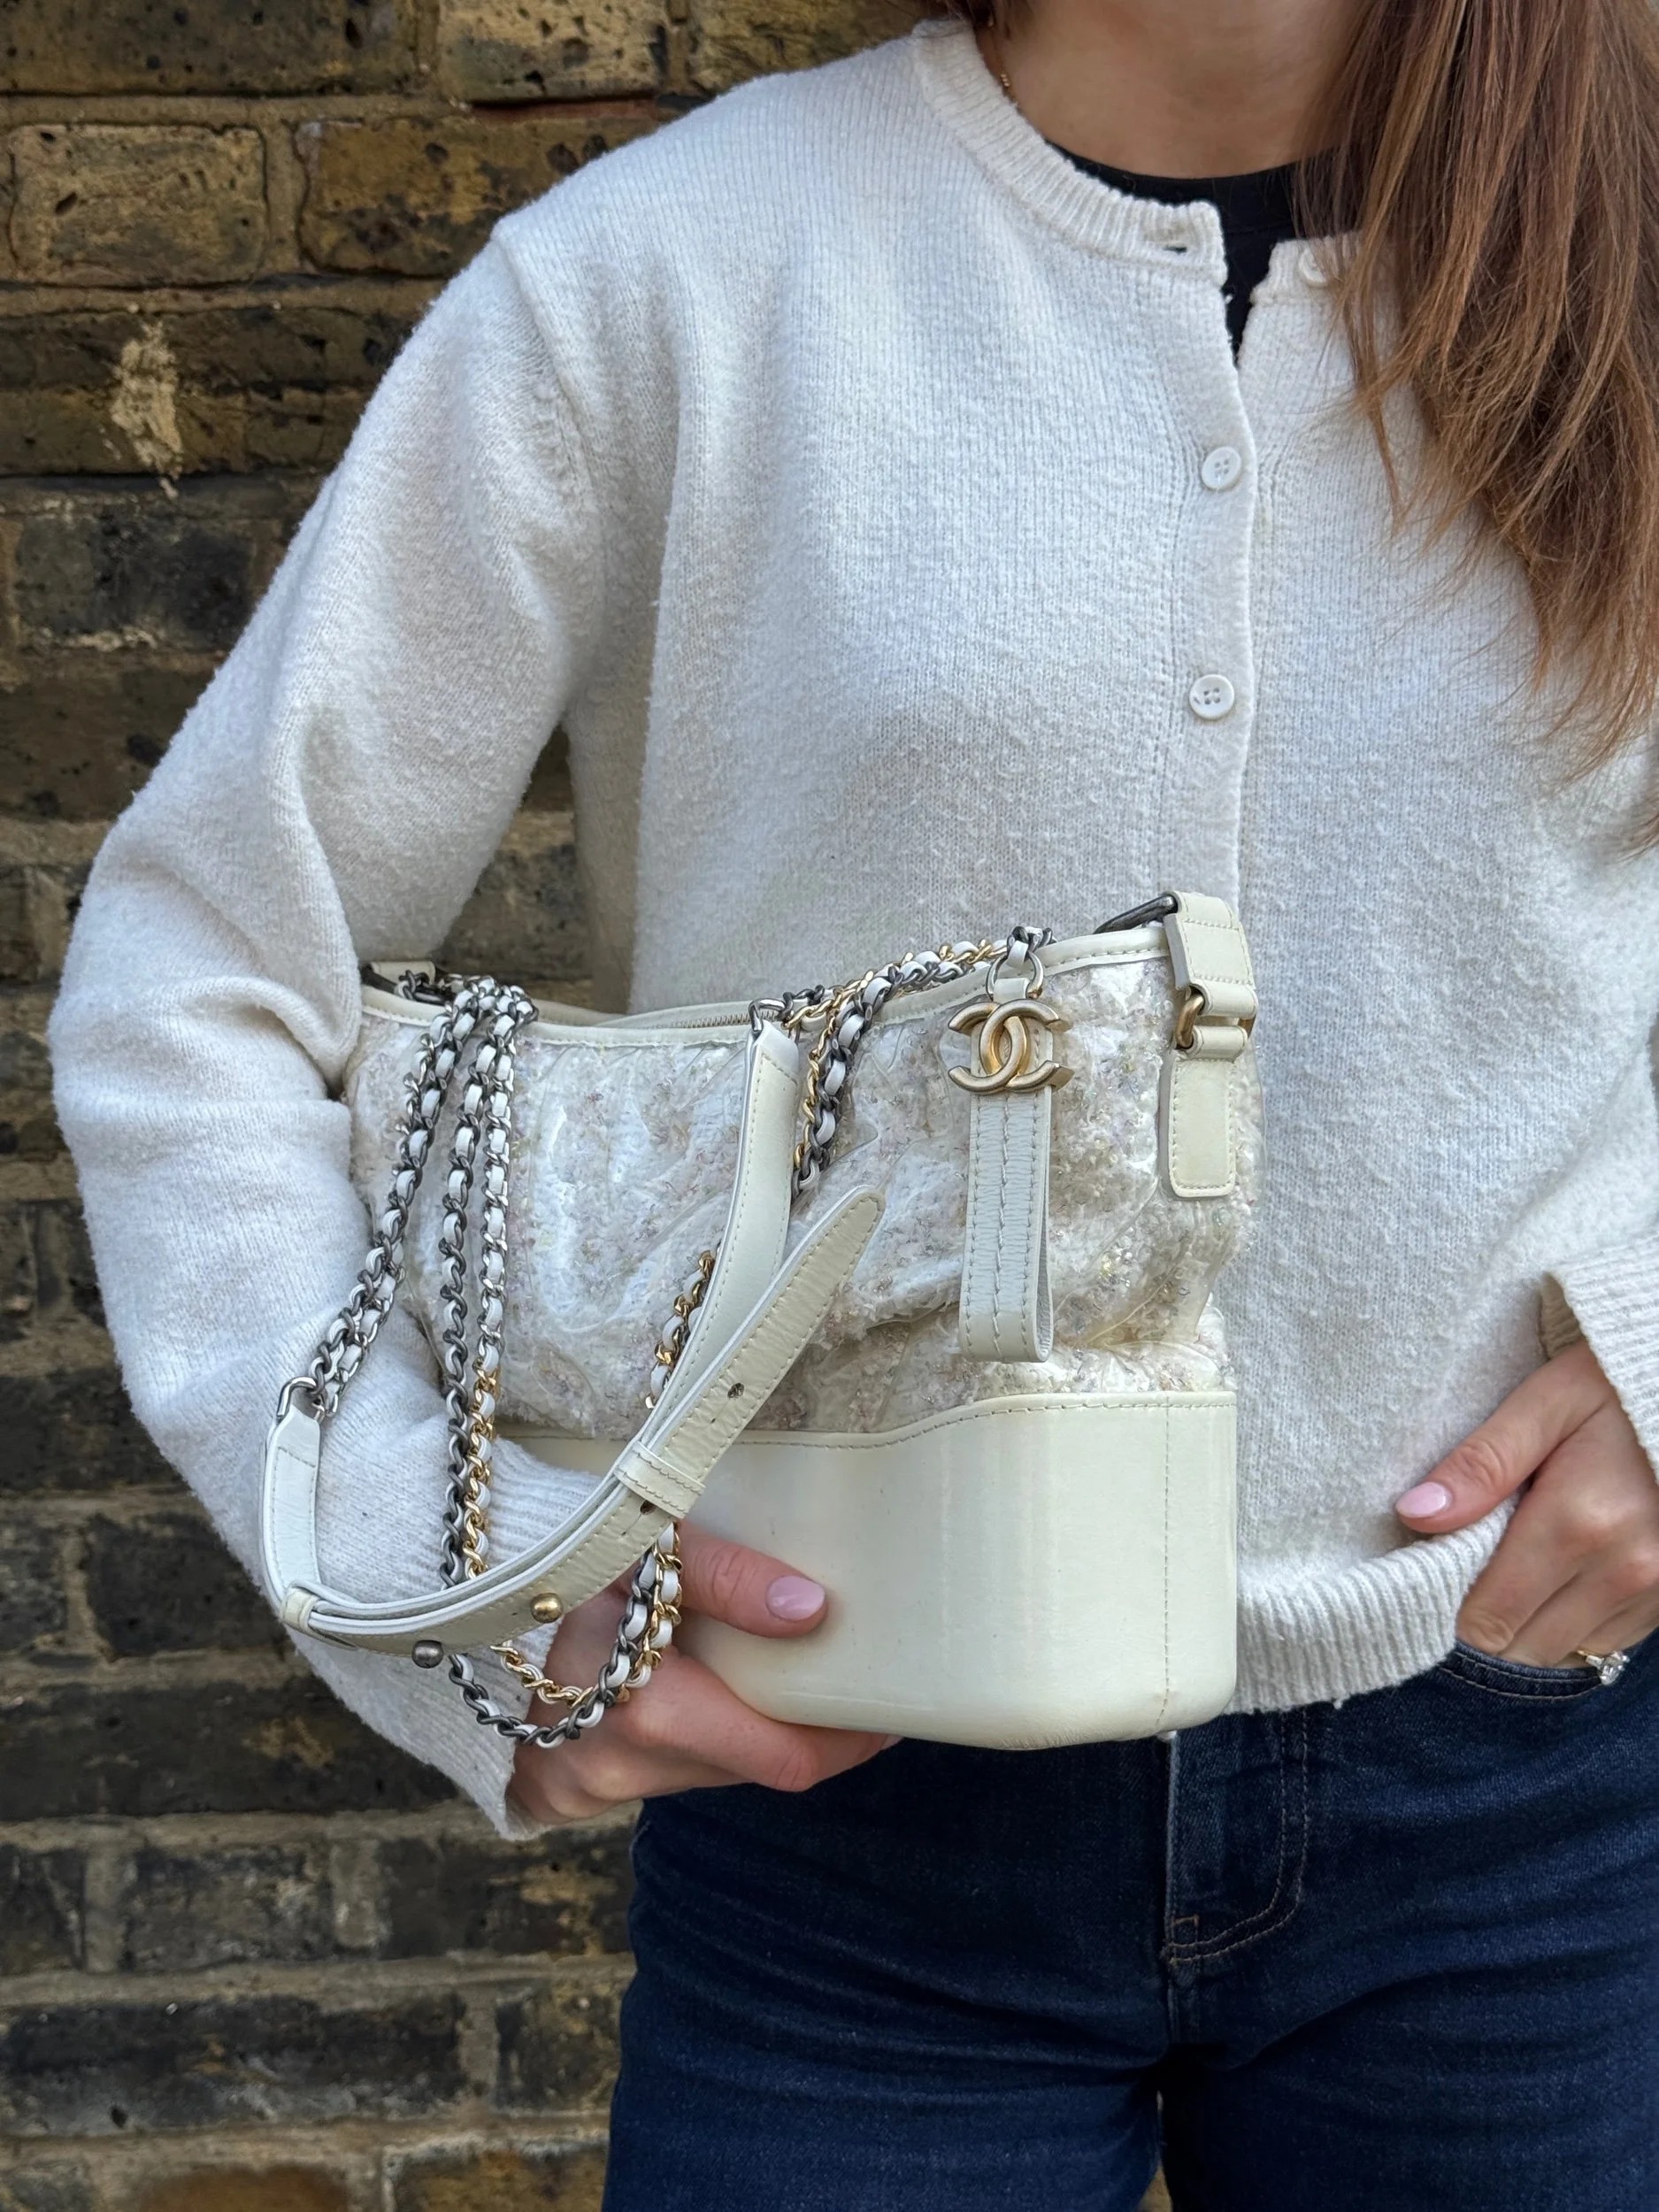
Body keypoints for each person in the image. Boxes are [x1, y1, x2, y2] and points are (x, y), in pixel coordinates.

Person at [47, 0, 1659, 2202]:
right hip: (844, 1802)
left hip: (1534, 1791)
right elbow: (200, 966)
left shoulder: (1624, 257)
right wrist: (433, 1543)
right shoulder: (668, 282)